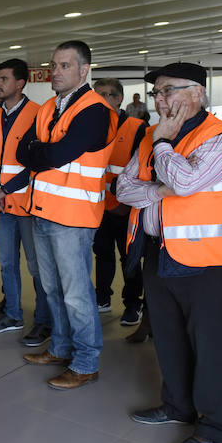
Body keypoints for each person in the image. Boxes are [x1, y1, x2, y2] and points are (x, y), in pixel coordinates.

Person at [117, 62, 222, 443]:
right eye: (156, 93)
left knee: (208, 343)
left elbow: (185, 182)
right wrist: (161, 189)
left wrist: (162, 147)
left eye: (168, 90)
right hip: (159, 250)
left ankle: (216, 428)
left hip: (207, 258)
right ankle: (178, 405)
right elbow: (124, 188)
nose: (160, 100)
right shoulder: (150, 137)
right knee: (168, 335)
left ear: (197, 93)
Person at [17, 40, 117, 390]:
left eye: (64, 65)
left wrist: (42, 151)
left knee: (76, 294)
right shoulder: (48, 107)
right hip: (43, 211)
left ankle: (86, 362)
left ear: (84, 70)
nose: (55, 72)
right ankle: (60, 348)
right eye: (53, 65)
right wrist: (43, 152)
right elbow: (23, 151)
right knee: (52, 288)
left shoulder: (95, 110)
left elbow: (57, 154)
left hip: (73, 217)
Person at [0, 59, 52, 347]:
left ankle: (44, 321)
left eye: (4, 79)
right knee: (7, 263)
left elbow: (37, 163)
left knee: (37, 266)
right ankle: (12, 315)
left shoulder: (38, 114)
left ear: (20, 83)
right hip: (1, 205)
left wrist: (4, 190)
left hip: (27, 205)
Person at [92, 78, 146, 327]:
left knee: (129, 258)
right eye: (97, 95)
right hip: (99, 206)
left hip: (126, 208)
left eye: (105, 95)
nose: (100, 100)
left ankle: (133, 304)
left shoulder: (137, 128)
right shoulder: (93, 127)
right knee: (102, 254)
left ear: (118, 99)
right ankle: (102, 297)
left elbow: (143, 169)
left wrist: (129, 202)